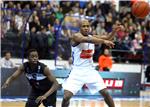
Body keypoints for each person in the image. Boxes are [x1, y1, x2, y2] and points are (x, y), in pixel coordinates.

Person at [61, 19, 123, 107]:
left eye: (87, 26)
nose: (86, 28)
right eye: (84, 26)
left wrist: (114, 31)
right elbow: (86, 39)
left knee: (105, 93)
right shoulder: (76, 36)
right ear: (80, 28)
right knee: (66, 97)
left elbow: (108, 37)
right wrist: (103, 41)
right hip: (77, 71)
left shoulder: (92, 37)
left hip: (90, 71)